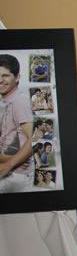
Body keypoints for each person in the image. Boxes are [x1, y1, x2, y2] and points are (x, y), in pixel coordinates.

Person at [0, 54, 34, 193]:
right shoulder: (6, 101)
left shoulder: (19, 101)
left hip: (17, 175)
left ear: (17, 77)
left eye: (5, 76)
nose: (0, 80)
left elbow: (36, 139)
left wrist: (9, 163)